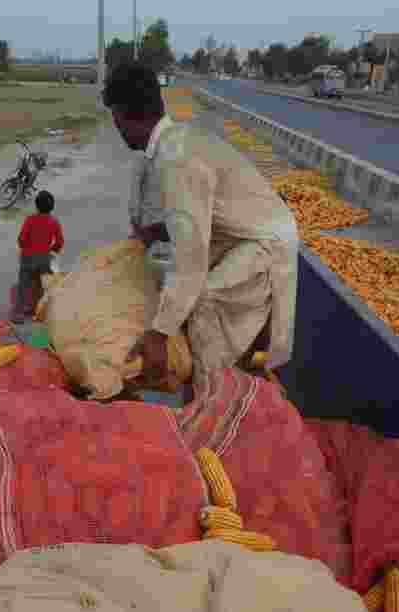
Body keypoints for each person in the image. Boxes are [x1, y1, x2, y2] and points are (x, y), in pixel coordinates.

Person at [107, 62, 300, 386]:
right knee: (182, 294)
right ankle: (225, 380)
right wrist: (160, 231)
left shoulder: (176, 158)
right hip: (243, 232)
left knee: (203, 303)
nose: (116, 128)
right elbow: (197, 214)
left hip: (263, 242)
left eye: (115, 119)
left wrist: (158, 334)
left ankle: (211, 397)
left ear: (122, 114)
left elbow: (189, 262)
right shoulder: (175, 142)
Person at [14, 190, 64, 323]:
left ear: (36, 205)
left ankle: (18, 314)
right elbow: (59, 242)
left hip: (28, 257)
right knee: (39, 285)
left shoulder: (30, 220)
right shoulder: (54, 222)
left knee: (24, 285)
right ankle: (36, 311)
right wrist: (51, 251)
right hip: (44, 258)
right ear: (52, 206)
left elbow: (21, 239)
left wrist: (25, 249)